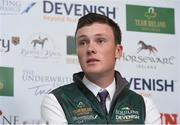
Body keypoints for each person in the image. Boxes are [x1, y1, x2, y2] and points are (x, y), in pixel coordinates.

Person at [41, 13, 160, 124]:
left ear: (118, 51)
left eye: (100, 41)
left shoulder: (143, 105)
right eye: (83, 42)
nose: (90, 49)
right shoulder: (57, 101)